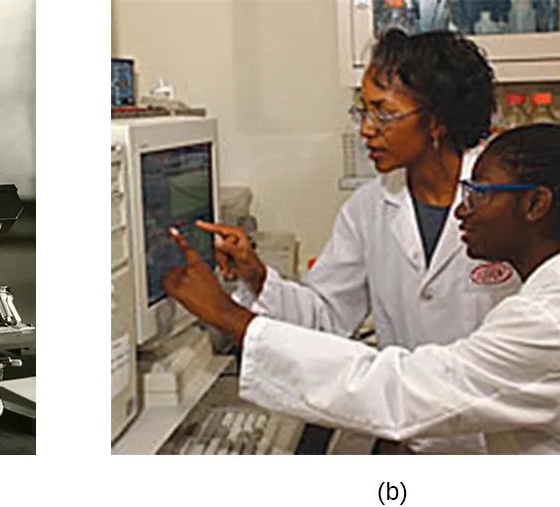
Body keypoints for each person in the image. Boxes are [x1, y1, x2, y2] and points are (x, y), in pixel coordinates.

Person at [164, 123, 560, 454]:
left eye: (479, 194)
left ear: (536, 205)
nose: (461, 209)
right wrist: (254, 284)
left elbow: (402, 390)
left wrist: (230, 317)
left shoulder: (556, 319)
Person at [200, 29, 517, 453]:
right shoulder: (369, 207)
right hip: (408, 434)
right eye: (363, 111)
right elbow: (327, 316)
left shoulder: (506, 199)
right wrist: (257, 277)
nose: (367, 129)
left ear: (436, 119)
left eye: (383, 113)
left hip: (496, 443)